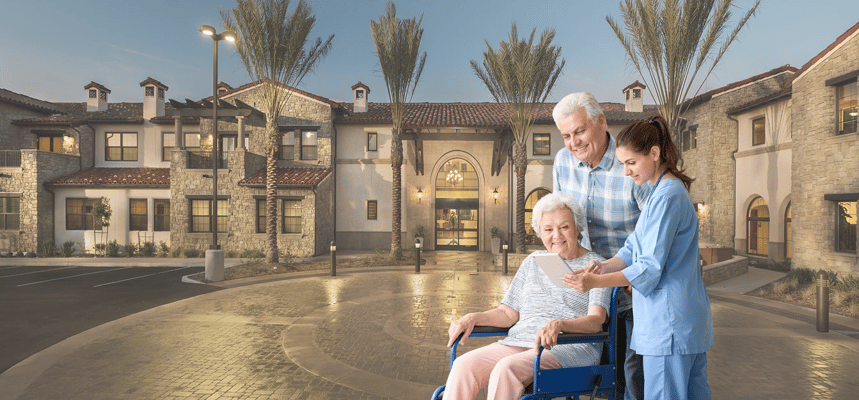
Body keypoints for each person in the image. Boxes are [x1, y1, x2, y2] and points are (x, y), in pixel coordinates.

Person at [563, 115, 714, 400]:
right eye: (622, 164)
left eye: (631, 162)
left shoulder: (667, 196)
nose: (626, 172)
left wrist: (595, 283)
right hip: (684, 323)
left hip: (669, 324)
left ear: (654, 153)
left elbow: (648, 268)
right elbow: (633, 248)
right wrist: (601, 267)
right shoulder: (661, 193)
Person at [442, 193, 611, 400]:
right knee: (463, 366)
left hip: (567, 346)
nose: (556, 235)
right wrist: (472, 318)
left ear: (577, 228)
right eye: (548, 229)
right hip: (521, 342)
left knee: (505, 369)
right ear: (540, 232)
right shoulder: (534, 260)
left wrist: (560, 325)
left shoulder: (597, 266)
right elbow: (507, 314)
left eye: (564, 227)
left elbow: (596, 321)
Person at [552, 92, 651, 400]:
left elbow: (653, 230)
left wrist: (633, 275)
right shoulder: (562, 162)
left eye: (579, 131)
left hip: (629, 290)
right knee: (592, 378)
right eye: (566, 135)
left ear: (601, 122)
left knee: (630, 378)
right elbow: (558, 222)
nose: (573, 142)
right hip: (587, 293)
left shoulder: (632, 165)